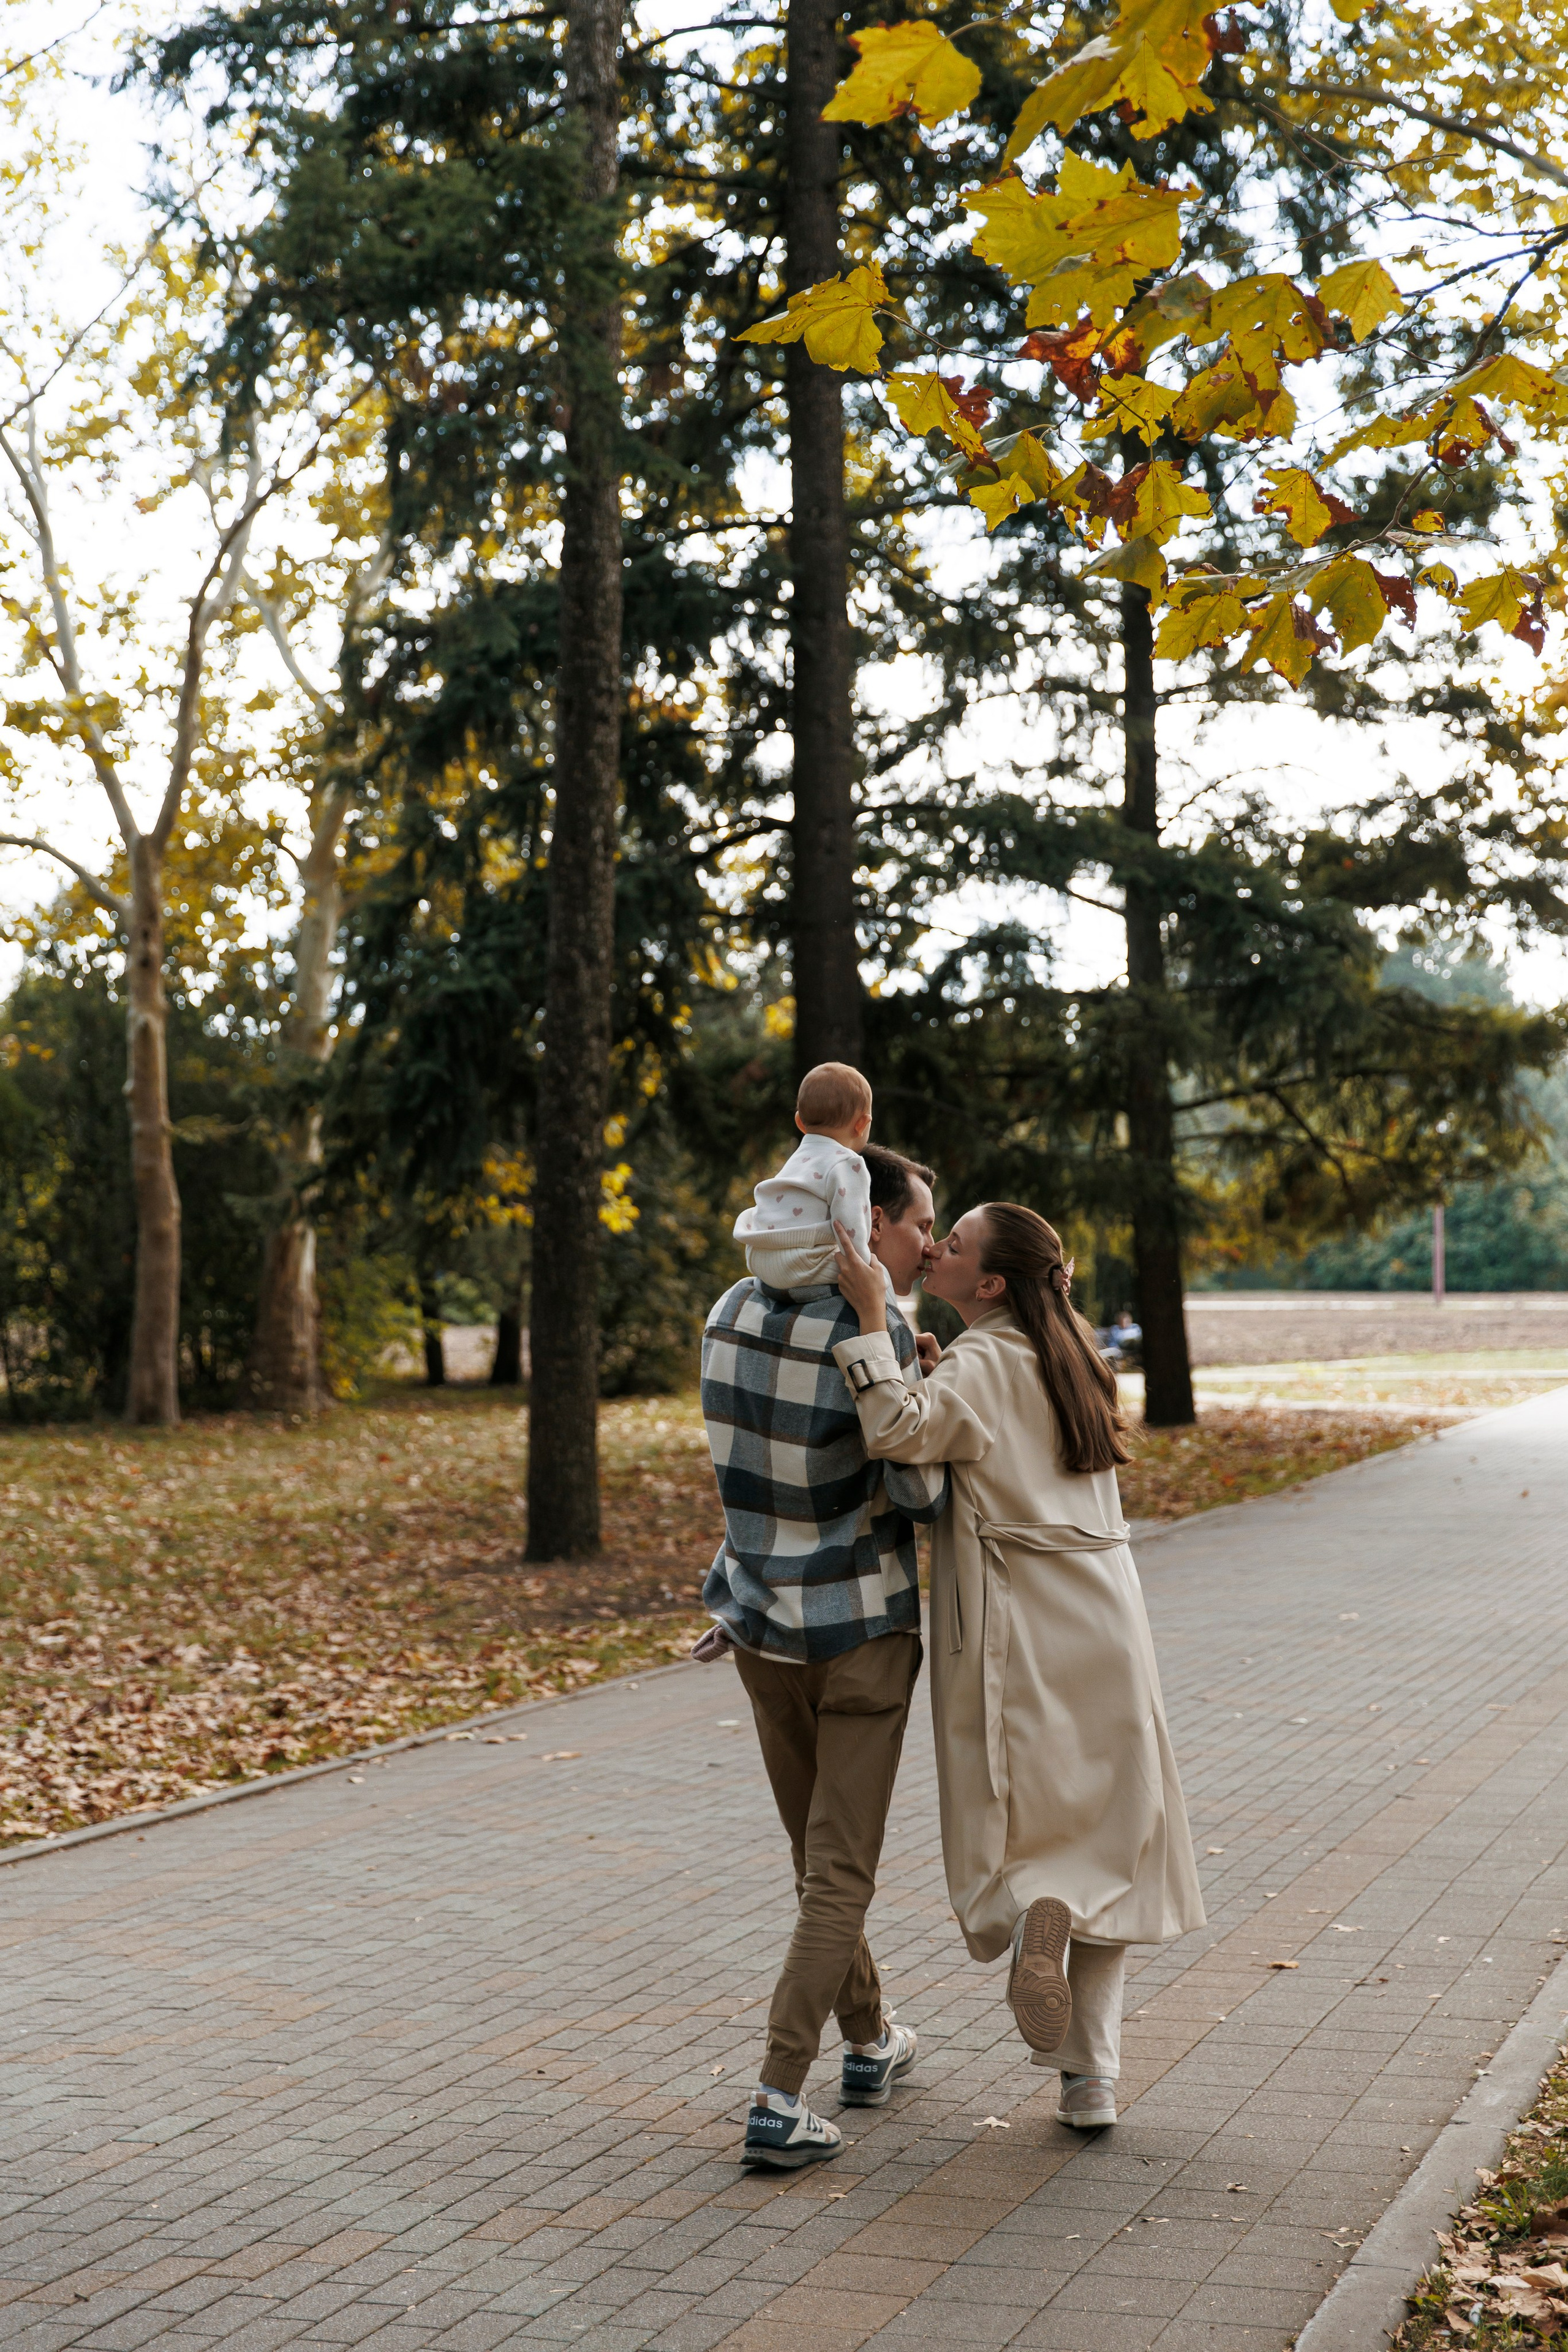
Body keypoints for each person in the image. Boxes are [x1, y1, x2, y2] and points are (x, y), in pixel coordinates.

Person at [830, 1202, 1204, 2132]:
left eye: (952, 1245)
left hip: (1019, 1616)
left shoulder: (984, 1361)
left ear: (989, 1284)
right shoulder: (1076, 1356)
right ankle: (1092, 2082)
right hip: (1109, 1612)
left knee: (1017, 1809)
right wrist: (929, 1370)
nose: (935, 1249)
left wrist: (873, 1325)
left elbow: (900, 1435)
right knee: (1117, 1833)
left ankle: (1043, 1905)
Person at [698, 1142, 949, 2171]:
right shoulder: (867, 1327)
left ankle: (872, 2040)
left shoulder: (727, 1310)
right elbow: (922, 1498)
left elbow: (756, 1463)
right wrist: (900, 1361)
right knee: (839, 1874)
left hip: (762, 1630)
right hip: (858, 1635)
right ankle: (775, 2094)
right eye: (917, 1223)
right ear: (864, 1227)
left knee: (817, 1859)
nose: (927, 1242)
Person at [732, 1060, 888, 1294]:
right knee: (880, 1278)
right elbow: (851, 1229)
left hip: (759, 1259)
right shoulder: (848, 1162)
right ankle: (896, 1330)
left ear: (800, 1123)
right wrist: (864, 1269)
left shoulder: (798, 1158)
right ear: (862, 1124)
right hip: (800, 1266)